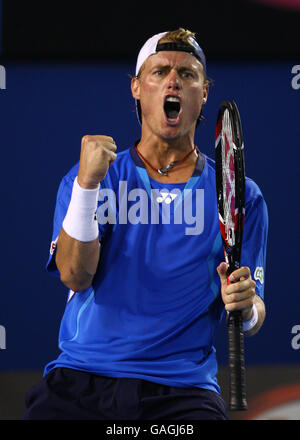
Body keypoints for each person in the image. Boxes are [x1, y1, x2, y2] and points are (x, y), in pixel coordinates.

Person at [22, 28, 268, 420]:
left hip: (183, 392)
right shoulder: (90, 177)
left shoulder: (242, 195)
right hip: (81, 380)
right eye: (160, 72)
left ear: (204, 93)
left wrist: (245, 306)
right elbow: (74, 275)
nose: (174, 80)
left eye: (187, 74)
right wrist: (87, 185)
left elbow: (253, 309)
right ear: (137, 88)